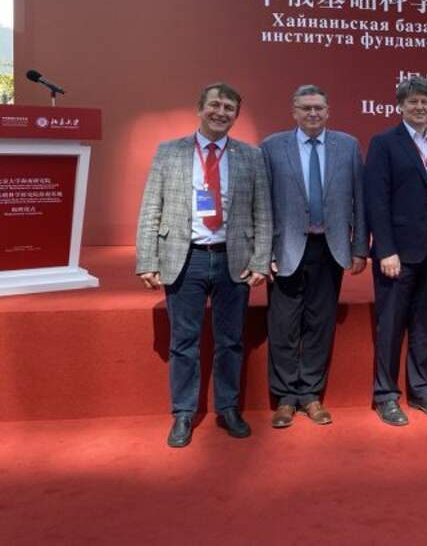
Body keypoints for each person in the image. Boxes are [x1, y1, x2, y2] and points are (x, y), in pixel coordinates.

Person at [136, 82, 272, 447]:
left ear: (235, 116)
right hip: (186, 257)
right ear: (200, 108)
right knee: (184, 341)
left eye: (229, 108)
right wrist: (147, 259)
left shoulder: (251, 156)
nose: (221, 112)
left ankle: (228, 408)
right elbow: (151, 206)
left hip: (233, 259)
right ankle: (183, 413)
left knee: (231, 341)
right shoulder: (170, 152)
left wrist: (261, 260)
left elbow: (263, 212)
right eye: (215, 105)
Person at [260, 85, 368, 429]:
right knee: (283, 326)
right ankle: (285, 398)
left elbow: (360, 199)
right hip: (285, 249)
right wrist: (263, 252)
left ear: (328, 111)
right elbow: (262, 204)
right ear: (294, 111)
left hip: (330, 248)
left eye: (318, 107)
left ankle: (310, 394)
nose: (312, 113)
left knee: (320, 324)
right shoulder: (272, 146)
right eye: (306, 108)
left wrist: (360, 247)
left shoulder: (347, 145)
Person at [364, 76, 427, 426]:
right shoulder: (384, 143)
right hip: (397, 254)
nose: (420, 107)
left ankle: (421, 390)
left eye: (425, 101)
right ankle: (386, 396)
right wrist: (385, 249)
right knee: (390, 326)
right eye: (413, 101)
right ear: (400, 106)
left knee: (424, 325)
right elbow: (376, 200)